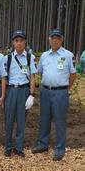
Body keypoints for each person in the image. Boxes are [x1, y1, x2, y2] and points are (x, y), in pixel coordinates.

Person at [32, 29, 76, 161]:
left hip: (60, 93)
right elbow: (38, 71)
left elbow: (73, 75)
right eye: (53, 37)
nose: (55, 40)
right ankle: (42, 144)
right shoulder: (44, 56)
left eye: (58, 37)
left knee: (59, 121)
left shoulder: (68, 55)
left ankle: (59, 148)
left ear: (62, 39)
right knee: (44, 119)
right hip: (45, 91)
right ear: (49, 39)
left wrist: (65, 88)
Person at [4, 30, 36, 158]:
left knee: (21, 121)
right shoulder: (8, 58)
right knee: (9, 120)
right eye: (16, 40)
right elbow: (4, 77)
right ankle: (8, 147)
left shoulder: (30, 57)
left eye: (21, 40)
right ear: (13, 42)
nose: (19, 43)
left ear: (25, 42)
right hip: (11, 91)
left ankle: (18, 148)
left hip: (24, 91)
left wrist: (32, 95)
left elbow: (33, 77)